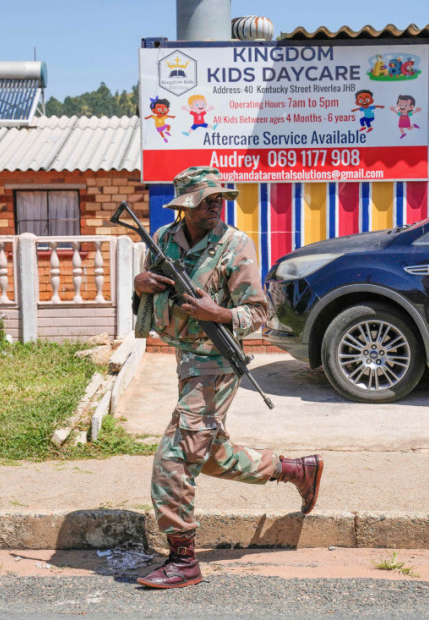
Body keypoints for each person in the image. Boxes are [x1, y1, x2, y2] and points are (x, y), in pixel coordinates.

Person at [133, 166, 323, 589]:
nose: (216, 203)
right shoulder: (164, 239)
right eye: (207, 199)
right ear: (186, 206)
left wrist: (216, 313)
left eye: (219, 197)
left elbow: (259, 312)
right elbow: (148, 299)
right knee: (212, 455)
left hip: (216, 363)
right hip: (186, 359)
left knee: (175, 456)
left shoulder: (236, 245)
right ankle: (297, 470)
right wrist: (140, 285)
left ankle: (183, 559)